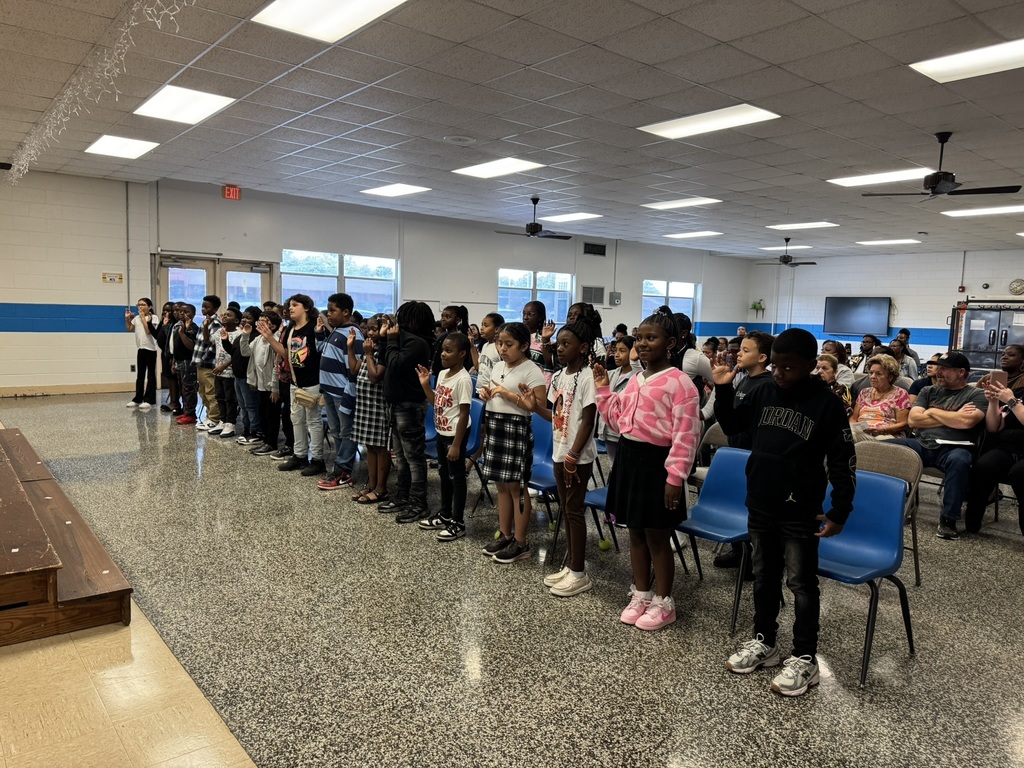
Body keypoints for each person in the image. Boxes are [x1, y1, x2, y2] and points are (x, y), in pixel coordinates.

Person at [714, 327, 855, 697]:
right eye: (775, 366)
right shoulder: (763, 390)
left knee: (801, 584)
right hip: (760, 501)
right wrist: (724, 388)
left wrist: (839, 510)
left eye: (788, 368)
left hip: (800, 509)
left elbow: (842, 461)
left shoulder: (826, 403)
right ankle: (765, 641)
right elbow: (732, 426)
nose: (779, 373)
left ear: (810, 365)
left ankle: (805, 658)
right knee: (763, 575)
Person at [594, 308, 701, 631]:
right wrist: (603, 390)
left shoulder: (681, 384)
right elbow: (618, 421)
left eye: (650, 338)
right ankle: (641, 593)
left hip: (659, 465)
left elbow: (686, 436)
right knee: (635, 532)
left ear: (670, 342)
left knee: (657, 535)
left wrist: (675, 478)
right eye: (638, 338)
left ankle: (664, 602)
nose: (641, 344)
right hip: (629, 459)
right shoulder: (636, 379)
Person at [523, 318, 601, 597]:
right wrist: (534, 408)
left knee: (575, 511)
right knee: (566, 511)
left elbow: (589, 420)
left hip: (575, 457)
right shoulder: (558, 377)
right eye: (559, 344)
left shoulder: (588, 376)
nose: (560, 349)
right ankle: (570, 566)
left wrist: (574, 454)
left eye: (566, 344)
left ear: (582, 348)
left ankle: (580, 573)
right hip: (559, 452)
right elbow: (554, 416)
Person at [891, 351, 987, 540]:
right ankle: (890, 508)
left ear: (961, 372)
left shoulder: (977, 394)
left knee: (960, 461)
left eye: (944, 369)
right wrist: (954, 415)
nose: (938, 372)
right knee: (885, 450)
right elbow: (913, 420)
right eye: (938, 368)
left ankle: (948, 520)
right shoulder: (928, 391)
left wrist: (932, 412)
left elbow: (966, 423)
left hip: (956, 447)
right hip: (922, 443)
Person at [479, 322, 547, 564]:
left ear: (524, 346)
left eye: (509, 344)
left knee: (517, 487)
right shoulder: (498, 366)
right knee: (502, 486)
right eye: (500, 343)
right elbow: (489, 388)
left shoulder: (532, 370)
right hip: (496, 426)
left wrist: (510, 396)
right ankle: (505, 534)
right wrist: (485, 393)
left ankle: (521, 542)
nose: (502, 349)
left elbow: (538, 406)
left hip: (516, 429)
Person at [714, 330, 775, 571]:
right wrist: (723, 388)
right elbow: (730, 419)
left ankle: (754, 559)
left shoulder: (767, 386)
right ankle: (740, 550)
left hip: (754, 456)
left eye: (746, 350)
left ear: (762, 358)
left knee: (752, 510)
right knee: (739, 504)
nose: (739, 353)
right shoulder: (745, 379)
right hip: (737, 451)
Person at [379, 301, 435, 523]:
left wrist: (391, 340)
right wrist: (385, 339)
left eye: (403, 317)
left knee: (413, 457)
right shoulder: (404, 339)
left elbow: (395, 364)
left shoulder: (418, 343)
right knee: (400, 456)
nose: (399, 321)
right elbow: (384, 358)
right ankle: (403, 497)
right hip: (396, 404)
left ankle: (419, 503)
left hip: (410, 405)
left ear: (413, 320)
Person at [415, 332, 473, 541]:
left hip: (455, 435)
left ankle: (458, 522)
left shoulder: (463, 379)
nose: (443, 354)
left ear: (462, 354)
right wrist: (425, 385)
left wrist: (457, 445)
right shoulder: (442, 375)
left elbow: (465, 413)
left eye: (449, 351)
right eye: (442, 350)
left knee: (456, 478)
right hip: (441, 432)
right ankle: (445, 514)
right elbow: (435, 402)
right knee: (443, 474)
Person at [259, 294, 324, 475]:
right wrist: (270, 337)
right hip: (295, 382)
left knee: (313, 421)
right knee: (296, 420)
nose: (291, 308)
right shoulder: (290, 329)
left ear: (307, 308)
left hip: (313, 382)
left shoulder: (314, 328)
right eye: (290, 305)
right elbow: (286, 353)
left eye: (295, 305)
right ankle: (300, 455)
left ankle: (318, 459)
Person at [965, 378, 1024, 535]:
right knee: (984, 466)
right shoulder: (1019, 393)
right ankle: (972, 524)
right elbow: (993, 427)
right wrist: (993, 402)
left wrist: (1011, 401)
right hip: (1009, 448)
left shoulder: (1013, 398)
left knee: (1019, 473)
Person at [316, 293, 363, 490]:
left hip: (342, 394)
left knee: (347, 432)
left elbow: (354, 369)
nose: (328, 314)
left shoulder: (353, 333)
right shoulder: (337, 331)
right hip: (330, 391)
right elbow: (322, 351)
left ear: (346, 312)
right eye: (328, 310)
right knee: (336, 430)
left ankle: (344, 471)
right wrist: (320, 333)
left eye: (332, 311)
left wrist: (348, 395)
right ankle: (339, 465)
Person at [351, 314, 391, 504]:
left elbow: (375, 377)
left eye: (375, 329)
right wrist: (351, 348)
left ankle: (381, 488)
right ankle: (372, 484)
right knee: (370, 446)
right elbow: (355, 369)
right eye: (368, 329)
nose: (371, 332)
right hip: (365, 404)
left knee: (381, 447)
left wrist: (368, 353)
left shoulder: (384, 350)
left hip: (378, 404)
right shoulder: (369, 347)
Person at [240, 310, 282, 456]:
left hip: (272, 385)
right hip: (261, 384)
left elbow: (277, 365)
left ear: (274, 326)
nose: (260, 323)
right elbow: (246, 353)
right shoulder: (258, 339)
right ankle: (265, 441)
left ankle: (272, 443)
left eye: (265, 321)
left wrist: (275, 387)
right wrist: (245, 334)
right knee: (263, 413)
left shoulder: (275, 340)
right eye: (260, 320)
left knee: (272, 415)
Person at [596, 335, 639, 465]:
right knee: (612, 465)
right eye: (616, 351)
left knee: (624, 466)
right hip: (608, 430)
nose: (617, 354)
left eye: (622, 351)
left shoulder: (638, 375)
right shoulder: (611, 373)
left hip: (623, 432)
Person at [849, 354, 910, 441]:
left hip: (886, 434)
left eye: (878, 374)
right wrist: (852, 427)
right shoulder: (864, 392)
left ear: (890, 377)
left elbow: (904, 423)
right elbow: (854, 418)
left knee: (849, 437)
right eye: (871, 373)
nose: (873, 376)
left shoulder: (900, 394)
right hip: (860, 432)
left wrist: (882, 430)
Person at [227, 306, 262, 444]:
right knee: (242, 405)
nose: (245, 320)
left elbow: (248, 355)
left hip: (248, 377)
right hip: (238, 375)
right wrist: (225, 341)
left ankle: (255, 430)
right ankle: (246, 429)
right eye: (244, 317)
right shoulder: (242, 334)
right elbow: (235, 352)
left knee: (251, 405)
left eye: (249, 318)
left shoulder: (256, 336)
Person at [192, 295, 223, 430]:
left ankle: (214, 418)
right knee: (203, 392)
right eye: (203, 306)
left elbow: (213, 345)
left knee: (211, 392)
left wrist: (204, 359)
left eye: (207, 307)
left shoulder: (215, 324)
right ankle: (209, 415)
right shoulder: (205, 322)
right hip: (200, 364)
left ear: (215, 308)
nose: (203, 309)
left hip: (208, 364)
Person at [125, 298, 158, 411]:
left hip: (150, 349)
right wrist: (127, 319)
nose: (140, 307)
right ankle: (138, 398)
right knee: (140, 375)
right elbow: (129, 329)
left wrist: (143, 317)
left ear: (150, 306)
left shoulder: (153, 317)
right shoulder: (136, 318)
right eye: (139, 305)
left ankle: (149, 399)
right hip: (140, 348)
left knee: (151, 375)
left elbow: (148, 331)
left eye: (143, 305)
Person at [210, 308, 239, 437]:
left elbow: (237, 355)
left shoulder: (239, 334)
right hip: (218, 371)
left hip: (230, 372)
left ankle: (230, 423)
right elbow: (207, 341)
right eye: (224, 315)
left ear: (236, 320)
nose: (225, 316)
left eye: (229, 315)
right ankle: (222, 420)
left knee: (230, 398)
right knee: (219, 397)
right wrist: (206, 326)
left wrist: (224, 366)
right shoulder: (218, 332)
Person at [172, 304, 199, 426]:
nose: (182, 313)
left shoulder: (192, 328)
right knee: (183, 388)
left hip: (188, 362)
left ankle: (191, 414)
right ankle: (186, 410)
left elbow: (191, 347)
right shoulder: (178, 326)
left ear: (192, 314)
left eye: (186, 311)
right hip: (179, 361)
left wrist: (184, 333)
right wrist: (174, 361)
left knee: (189, 388)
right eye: (180, 311)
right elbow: (175, 346)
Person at [522, 300, 556, 384]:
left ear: (540, 317)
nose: (525, 317)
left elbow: (549, 365)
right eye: (524, 314)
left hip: (538, 384)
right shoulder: (519, 337)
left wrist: (545, 340)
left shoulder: (547, 341)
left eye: (530, 314)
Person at [431, 305, 470, 376]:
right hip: (438, 374)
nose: (443, 319)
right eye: (442, 316)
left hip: (453, 374)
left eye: (448, 317)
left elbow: (465, 361)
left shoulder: (460, 339)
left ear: (457, 320)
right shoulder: (442, 335)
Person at [154, 301, 179, 413]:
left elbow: (169, 338)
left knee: (173, 379)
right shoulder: (164, 321)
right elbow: (157, 336)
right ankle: (173, 401)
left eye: (169, 310)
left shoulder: (174, 323)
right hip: (164, 353)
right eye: (165, 310)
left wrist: (165, 325)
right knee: (168, 378)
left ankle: (175, 402)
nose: (166, 312)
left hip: (172, 355)